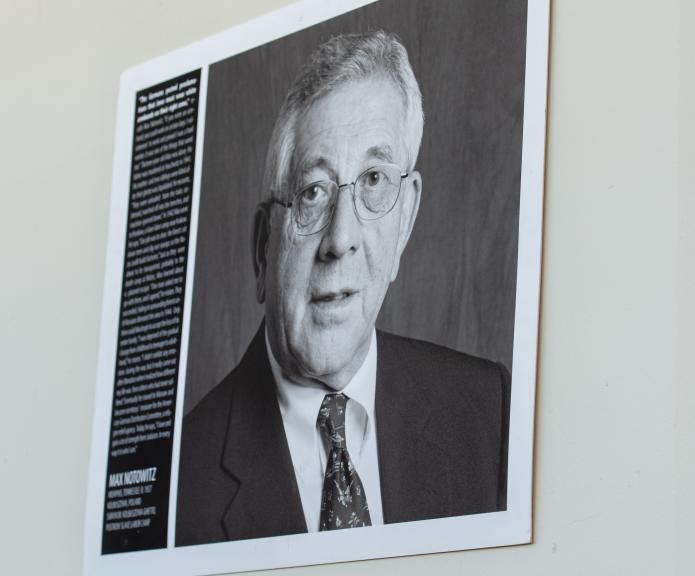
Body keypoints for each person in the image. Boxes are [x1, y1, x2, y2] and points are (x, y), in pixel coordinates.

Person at [176, 31, 509, 545]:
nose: (341, 239)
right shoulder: (180, 484)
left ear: (405, 220)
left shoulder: (488, 413)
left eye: (374, 180)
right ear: (265, 247)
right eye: (313, 193)